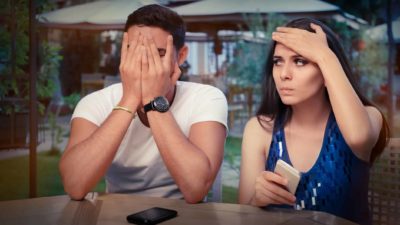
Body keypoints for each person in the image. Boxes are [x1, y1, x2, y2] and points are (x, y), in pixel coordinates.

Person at [60, 4, 228, 204]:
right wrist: (130, 99)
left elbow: (196, 189)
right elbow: (74, 185)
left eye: (158, 53)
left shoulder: (207, 98)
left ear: (180, 56)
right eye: (134, 52)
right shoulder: (95, 102)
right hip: (117, 214)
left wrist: (153, 100)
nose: (144, 64)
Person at [238, 18, 389, 225]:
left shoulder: (369, 116)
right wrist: (257, 199)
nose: (284, 74)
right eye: (278, 61)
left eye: (300, 61)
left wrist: (324, 55)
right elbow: (242, 217)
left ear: (327, 69)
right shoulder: (260, 129)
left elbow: (358, 137)